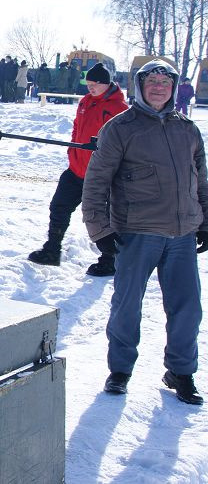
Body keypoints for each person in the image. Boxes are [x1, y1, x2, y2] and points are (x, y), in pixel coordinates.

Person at [82, 59, 207, 405]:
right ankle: (120, 370)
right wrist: (99, 230)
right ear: (140, 86)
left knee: (187, 308)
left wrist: (206, 221)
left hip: (182, 234)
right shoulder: (121, 128)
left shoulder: (187, 129)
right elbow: (96, 182)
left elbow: (202, 179)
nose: (158, 87)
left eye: (164, 82)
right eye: (151, 81)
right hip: (136, 233)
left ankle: (180, 372)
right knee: (127, 306)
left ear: (173, 88)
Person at [29, 62, 129, 276]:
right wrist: (72, 150)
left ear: (106, 83)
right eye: (88, 84)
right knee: (59, 207)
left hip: (103, 175)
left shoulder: (118, 108)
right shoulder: (85, 101)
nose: (90, 88)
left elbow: (125, 142)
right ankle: (52, 250)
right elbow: (77, 127)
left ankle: (109, 260)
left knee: (103, 218)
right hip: (76, 169)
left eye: (94, 84)